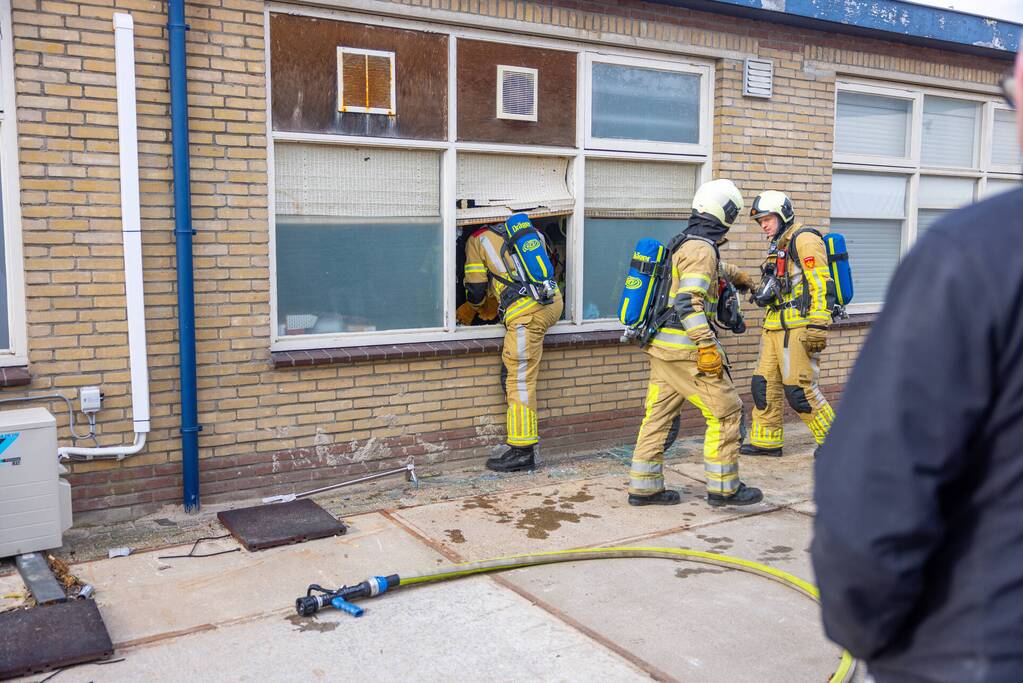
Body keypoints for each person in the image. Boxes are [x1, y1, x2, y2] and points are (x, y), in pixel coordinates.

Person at [810, 56, 1023, 682]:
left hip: (978, 651)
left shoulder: (974, 257)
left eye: (1010, 95)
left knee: (793, 395)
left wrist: (867, 636)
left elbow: (875, 494)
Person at [627, 179, 762, 508]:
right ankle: (724, 488)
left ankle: (644, 487)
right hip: (688, 352)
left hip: (662, 350)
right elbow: (688, 301)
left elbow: (705, 270)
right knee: (727, 414)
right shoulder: (702, 248)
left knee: (657, 418)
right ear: (725, 213)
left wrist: (738, 277)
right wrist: (706, 345)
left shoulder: (685, 242)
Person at [459, 218, 563, 473]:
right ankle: (521, 447)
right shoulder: (527, 231)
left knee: (519, 380)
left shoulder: (478, 238)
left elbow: (476, 289)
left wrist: (476, 308)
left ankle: (522, 451)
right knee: (514, 372)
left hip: (525, 314)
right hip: (552, 303)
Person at [740, 191, 836, 457]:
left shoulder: (804, 239)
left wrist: (818, 324)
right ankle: (766, 442)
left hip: (799, 327)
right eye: (760, 221)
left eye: (767, 219)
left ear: (783, 215)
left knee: (799, 390)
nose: (763, 225)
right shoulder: (778, 244)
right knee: (763, 385)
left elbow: (821, 283)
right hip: (773, 327)